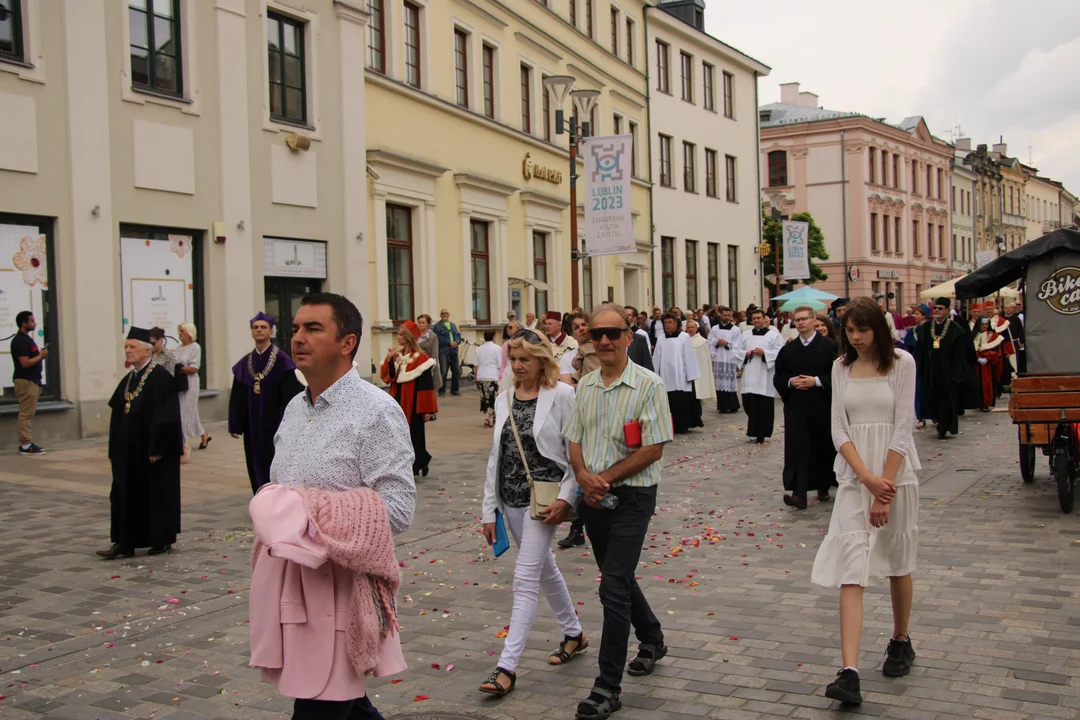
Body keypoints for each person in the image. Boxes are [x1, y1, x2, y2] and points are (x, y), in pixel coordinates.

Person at [262, 292, 416, 720]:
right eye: (295, 329)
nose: (297, 338)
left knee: (321, 702)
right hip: (296, 586)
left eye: (313, 329)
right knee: (342, 703)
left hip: (341, 589)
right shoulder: (295, 408)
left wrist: (313, 514)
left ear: (347, 343)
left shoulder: (375, 412)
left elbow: (399, 509)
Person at [563, 303, 672, 720]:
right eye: (596, 334)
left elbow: (653, 447)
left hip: (632, 497)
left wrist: (601, 477)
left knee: (612, 585)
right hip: (594, 499)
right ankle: (652, 637)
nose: (604, 341)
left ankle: (607, 687)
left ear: (629, 336)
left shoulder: (648, 385)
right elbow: (574, 438)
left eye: (613, 333)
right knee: (618, 576)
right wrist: (582, 475)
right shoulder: (586, 386)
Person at [812, 297, 920, 706]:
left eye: (863, 329)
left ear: (879, 328)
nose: (856, 338)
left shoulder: (901, 364)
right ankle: (850, 670)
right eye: (849, 330)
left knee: (896, 560)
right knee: (852, 566)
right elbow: (839, 428)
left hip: (896, 474)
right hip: (857, 477)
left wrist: (885, 485)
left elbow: (904, 426)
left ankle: (900, 638)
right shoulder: (841, 367)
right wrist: (866, 480)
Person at [478, 329, 585, 697]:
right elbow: (497, 456)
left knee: (525, 580)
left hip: (545, 502)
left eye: (526, 359)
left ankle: (506, 668)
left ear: (542, 360)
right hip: (510, 501)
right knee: (545, 570)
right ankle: (574, 633)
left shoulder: (563, 395)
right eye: (515, 358)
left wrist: (569, 498)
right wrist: (488, 510)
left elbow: (576, 453)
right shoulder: (504, 398)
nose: (518, 366)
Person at [98, 327, 183, 559]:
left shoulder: (161, 378)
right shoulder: (129, 379)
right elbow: (118, 414)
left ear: (146, 351)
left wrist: (158, 447)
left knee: (156, 494)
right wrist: (114, 447)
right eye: (126, 347)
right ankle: (124, 542)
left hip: (151, 451)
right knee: (124, 493)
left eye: (131, 347)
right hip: (129, 451)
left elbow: (167, 417)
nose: (127, 351)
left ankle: (161, 539)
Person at [229, 312, 304, 494]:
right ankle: (259, 495)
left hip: (275, 424)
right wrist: (235, 424)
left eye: (263, 327)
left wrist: (289, 422)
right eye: (256, 327)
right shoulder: (245, 363)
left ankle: (276, 498)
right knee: (253, 460)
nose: (259, 330)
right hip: (252, 425)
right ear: (252, 332)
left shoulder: (283, 361)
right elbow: (237, 395)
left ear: (271, 332)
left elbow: (290, 395)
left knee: (274, 461)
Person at [773, 306, 838, 509]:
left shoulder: (829, 347)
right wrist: (791, 382)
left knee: (822, 446)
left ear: (813, 320)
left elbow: (838, 375)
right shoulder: (789, 349)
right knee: (798, 448)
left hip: (822, 405)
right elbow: (779, 376)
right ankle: (799, 494)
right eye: (797, 320)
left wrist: (816, 381)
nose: (800, 323)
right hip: (797, 408)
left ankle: (823, 485)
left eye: (804, 319)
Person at [380, 321, 438, 478]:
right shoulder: (398, 356)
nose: (397, 337)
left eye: (400, 334)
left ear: (408, 337)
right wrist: (390, 359)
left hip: (414, 403)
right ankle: (412, 462)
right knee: (399, 434)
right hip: (398, 399)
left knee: (415, 434)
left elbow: (426, 387)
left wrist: (426, 410)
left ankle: (419, 462)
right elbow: (389, 377)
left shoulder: (421, 359)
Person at [915, 298, 969, 440]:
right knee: (933, 397)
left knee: (947, 399)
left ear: (947, 310)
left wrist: (958, 372)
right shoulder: (926, 328)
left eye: (940, 308)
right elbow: (919, 349)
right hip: (931, 370)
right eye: (935, 308)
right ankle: (938, 421)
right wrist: (919, 368)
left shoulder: (955, 329)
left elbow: (960, 353)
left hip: (948, 371)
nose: (937, 311)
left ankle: (945, 425)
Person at [652, 313, 702, 434]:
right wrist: (655, 374)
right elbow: (656, 358)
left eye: (670, 322)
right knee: (668, 402)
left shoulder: (684, 337)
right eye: (665, 323)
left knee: (681, 402)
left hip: (680, 376)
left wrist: (691, 375)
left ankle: (683, 425)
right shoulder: (661, 338)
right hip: (665, 376)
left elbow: (689, 356)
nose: (668, 325)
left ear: (676, 323)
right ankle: (669, 425)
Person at [740, 309, 785, 444]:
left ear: (765, 319)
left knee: (763, 406)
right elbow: (737, 350)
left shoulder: (773, 335)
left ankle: (762, 434)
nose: (756, 320)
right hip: (749, 373)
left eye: (759, 318)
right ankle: (753, 431)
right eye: (754, 318)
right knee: (749, 404)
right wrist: (746, 353)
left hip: (765, 375)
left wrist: (765, 353)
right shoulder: (746, 335)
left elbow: (780, 352)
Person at [11, 310, 48, 455]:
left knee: (28, 413)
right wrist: (41, 356)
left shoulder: (26, 339)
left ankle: (27, 443)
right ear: (24, 323)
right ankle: (25, 445)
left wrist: (40, 355)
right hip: (26, 381)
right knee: (26, 413)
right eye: (31, 321)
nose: (34, 323)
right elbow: (25, 363)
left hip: (32, 380)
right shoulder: (19, 341)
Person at [174, 322, 209, 462]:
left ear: (189, 333)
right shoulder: (178, 348)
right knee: (184, 412)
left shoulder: (195, 347)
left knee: (187, 412)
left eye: (182, 331)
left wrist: (179, 369)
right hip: (179, 383)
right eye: (179, 332)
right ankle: (203, 434)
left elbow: (194, 368)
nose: (180, 334)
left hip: (190, 382)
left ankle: (183, 443)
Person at [707, 306, 742, 414]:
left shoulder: (736, 329)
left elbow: (739, 344)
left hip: (729, 359)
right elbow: (709, 340)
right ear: (720, 315)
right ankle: (722, 406)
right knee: (719, 382)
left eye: (728, 315)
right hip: (718, 358)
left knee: (730, 382)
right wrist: (716, 342)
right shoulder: (715, 328)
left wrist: (727, 343)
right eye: (724, 315)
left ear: (731, 316)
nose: (726, 317)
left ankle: (732, 405)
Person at [901, 305, 931, 429]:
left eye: (917, 314)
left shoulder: (931, 329)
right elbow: (907, 346)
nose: (915, 316)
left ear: (924, 315)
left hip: (930, 363)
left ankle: (934, 414)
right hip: (917, 363)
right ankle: (921, 417)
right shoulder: (912, 331)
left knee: (931, 389)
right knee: (918, 390)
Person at [972, 317, 1003, 412]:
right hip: (976, 364)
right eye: (982, 324)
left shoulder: (994, 336)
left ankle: (987, 403)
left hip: (988, 364)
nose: (984, 326)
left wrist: (987, 357)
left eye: (986, 324)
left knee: (987, 383)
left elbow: (996, 350)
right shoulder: (973, 335)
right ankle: (977, 403)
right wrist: (977, 357)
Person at [685, 320, 715, 416]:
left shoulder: (702, 341)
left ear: (696, 328)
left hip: (698, 372)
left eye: (692, 327)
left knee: (697, 395)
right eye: (688, 327)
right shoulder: (683, 340)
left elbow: (705, 359)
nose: (690, 329)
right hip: (687, 372)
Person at [559, 312, 598, 386]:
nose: (581, 328)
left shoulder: (603, 349)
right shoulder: (567, 359)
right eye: (576, 327)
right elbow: (568, 387)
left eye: (584, 325)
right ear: (572, 335)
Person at [475, 329, 502, 427]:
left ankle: (494, 417)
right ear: (494, 337)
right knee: (493, 398)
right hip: (493, 375)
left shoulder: (479, 349)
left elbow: (476, 364)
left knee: (486, 398)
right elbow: (499, 364)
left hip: (482, 376)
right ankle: (487, 417)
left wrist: (476, 377)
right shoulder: (497, 348)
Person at [433, 309, 462, 396]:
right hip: (443, 351)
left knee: (456, 370)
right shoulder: (437, 326)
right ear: (440, 315)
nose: (444, 315)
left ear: (449, 315)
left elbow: (457, 335)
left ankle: (455, 390)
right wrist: (449, 342)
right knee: (443, 371)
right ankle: (441, 390)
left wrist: (457, 342)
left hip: (454, 351)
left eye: (446, 313)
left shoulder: (453, 325)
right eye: (442, 313)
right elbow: (438, 338)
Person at [415, 314, 441, 394]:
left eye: (423, 323)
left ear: (428, 324)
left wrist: (432, 366)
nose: (420, 324)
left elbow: (435, 354)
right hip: (416, 364)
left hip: (428, 365)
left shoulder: (433, 336)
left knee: (428, 390)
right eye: (419, 322)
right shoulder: (415, 335)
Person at [1005, 302, 1026, 374]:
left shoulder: (1016, 319)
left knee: (1015, 360)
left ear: (1012, 309)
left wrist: (1022, 342)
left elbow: (1020, 331)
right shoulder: (1002, 319)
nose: (1008, 310)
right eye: (1006, 308)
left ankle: (1016, 373)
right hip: (1004, 343)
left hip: (1014, 342)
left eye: (1009, 308)